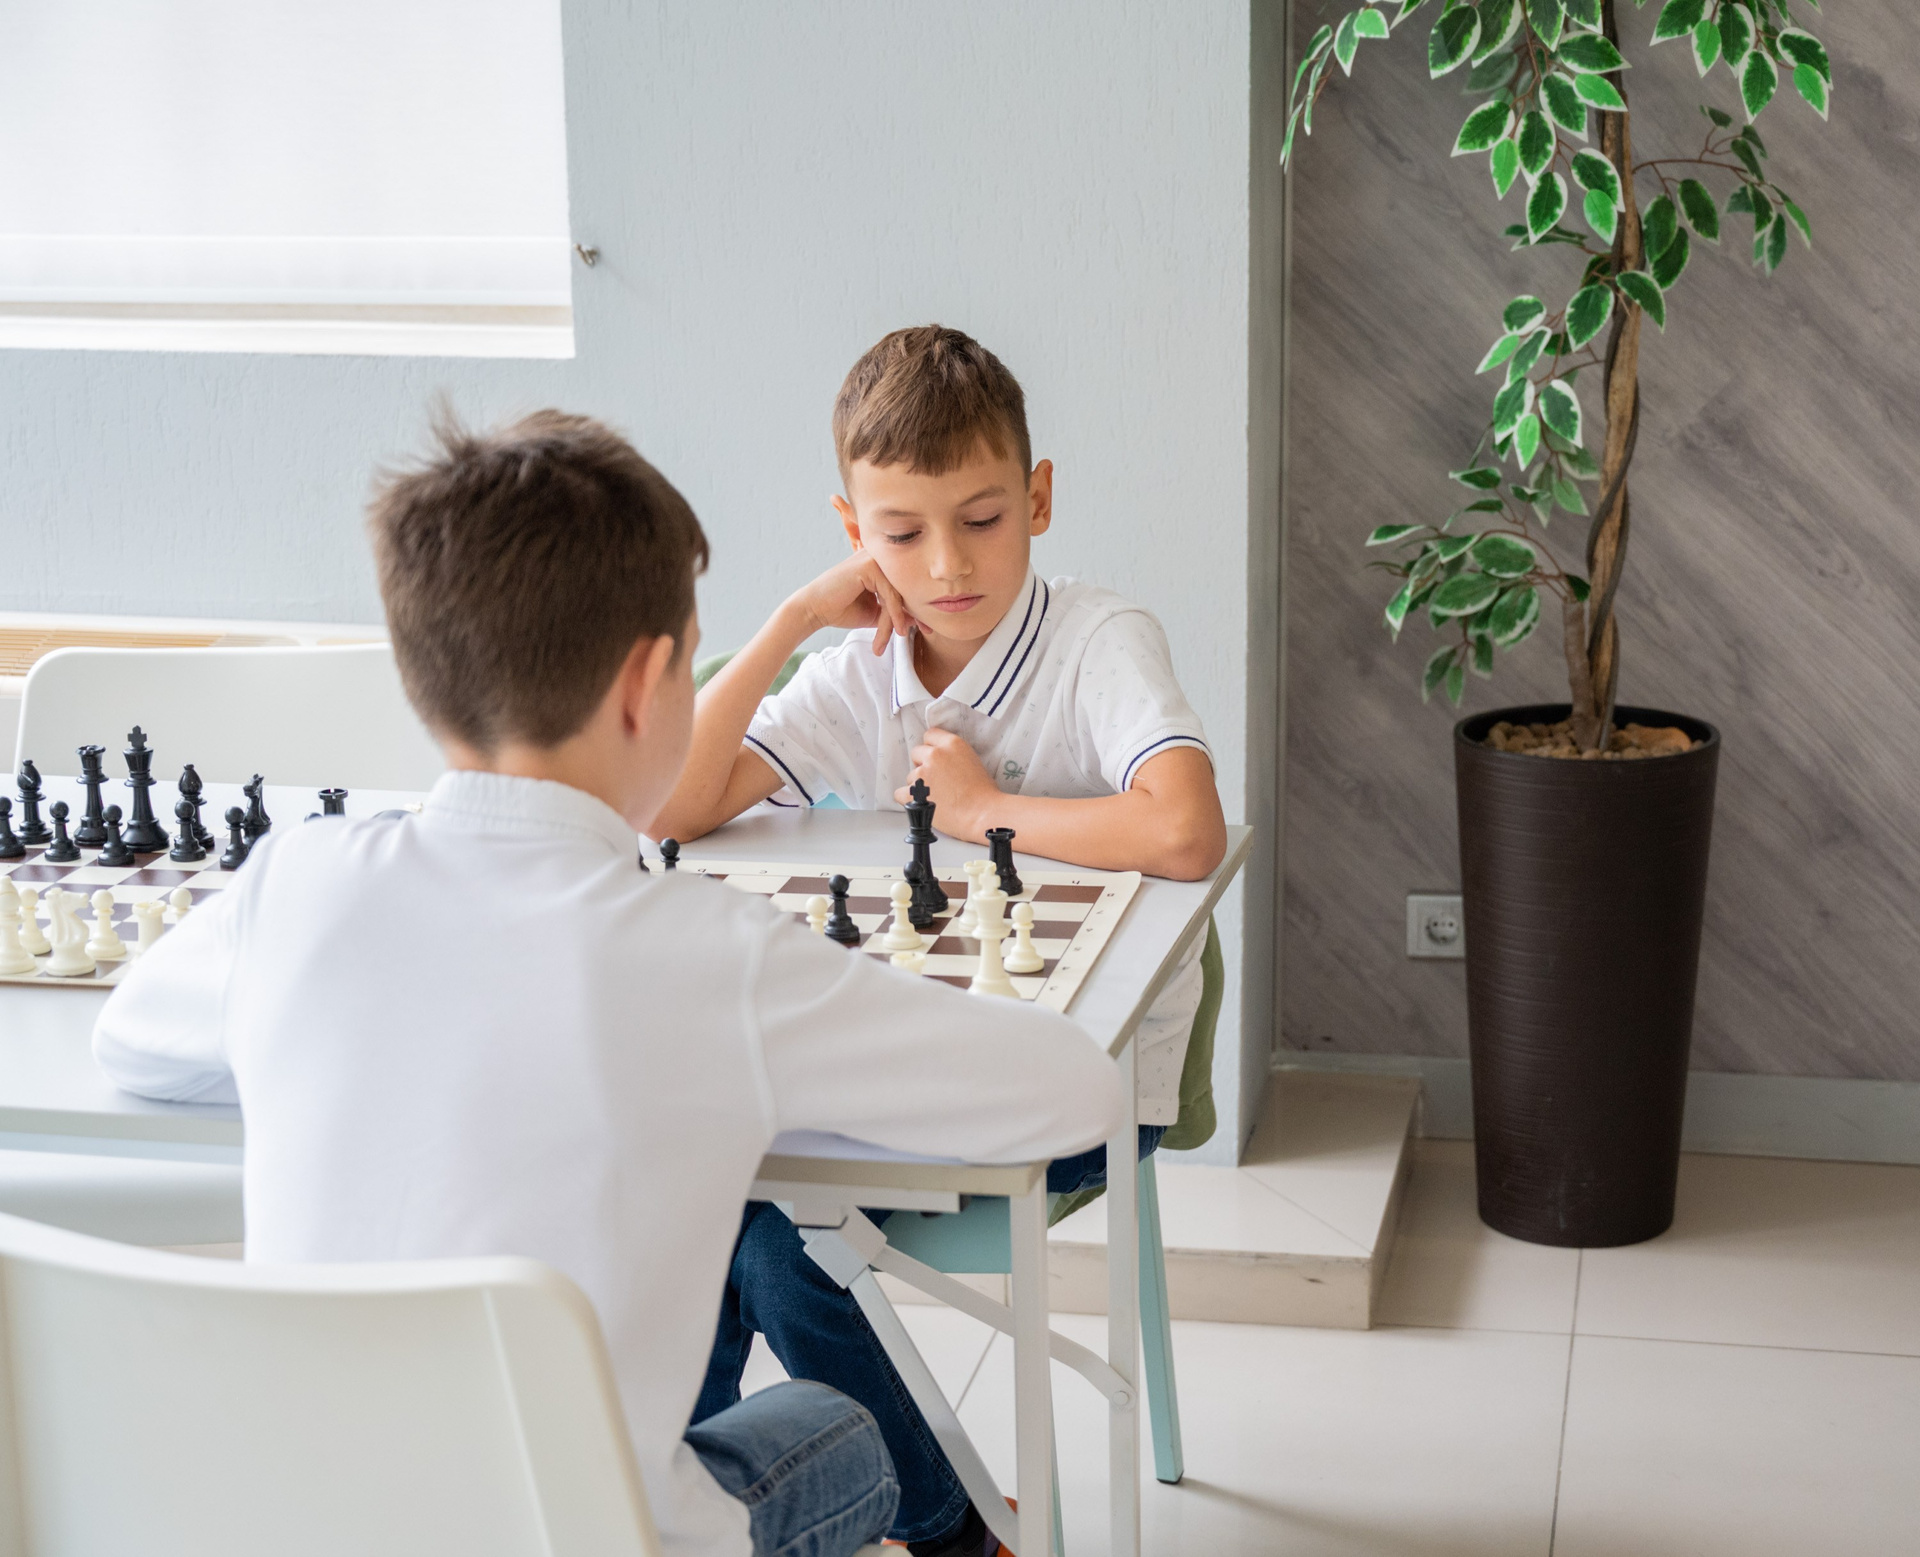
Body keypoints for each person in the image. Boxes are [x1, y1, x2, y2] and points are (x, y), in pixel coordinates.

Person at [91, 411, 1124, 1557]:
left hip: (303, 1527)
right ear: (647, 684)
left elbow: (128, 1040)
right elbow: (1080, 1093)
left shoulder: (297, 884)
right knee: (836, 1431)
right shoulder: (715, 960)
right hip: (600, 1536)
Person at [650, 325, 1229, 1556]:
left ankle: (951, 1533)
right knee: (698, 1217)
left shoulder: (1098, 640)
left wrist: (981, 814)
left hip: (1077, 1089)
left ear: (1039, 499)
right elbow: (670, 809)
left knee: (787, 1256)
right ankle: (665, 1513)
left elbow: (1186, 831)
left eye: (982, 519)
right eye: (901, 533)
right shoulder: (858, 671)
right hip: (882, 1085)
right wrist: (791, 620)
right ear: (853, 531)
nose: (948, 564)